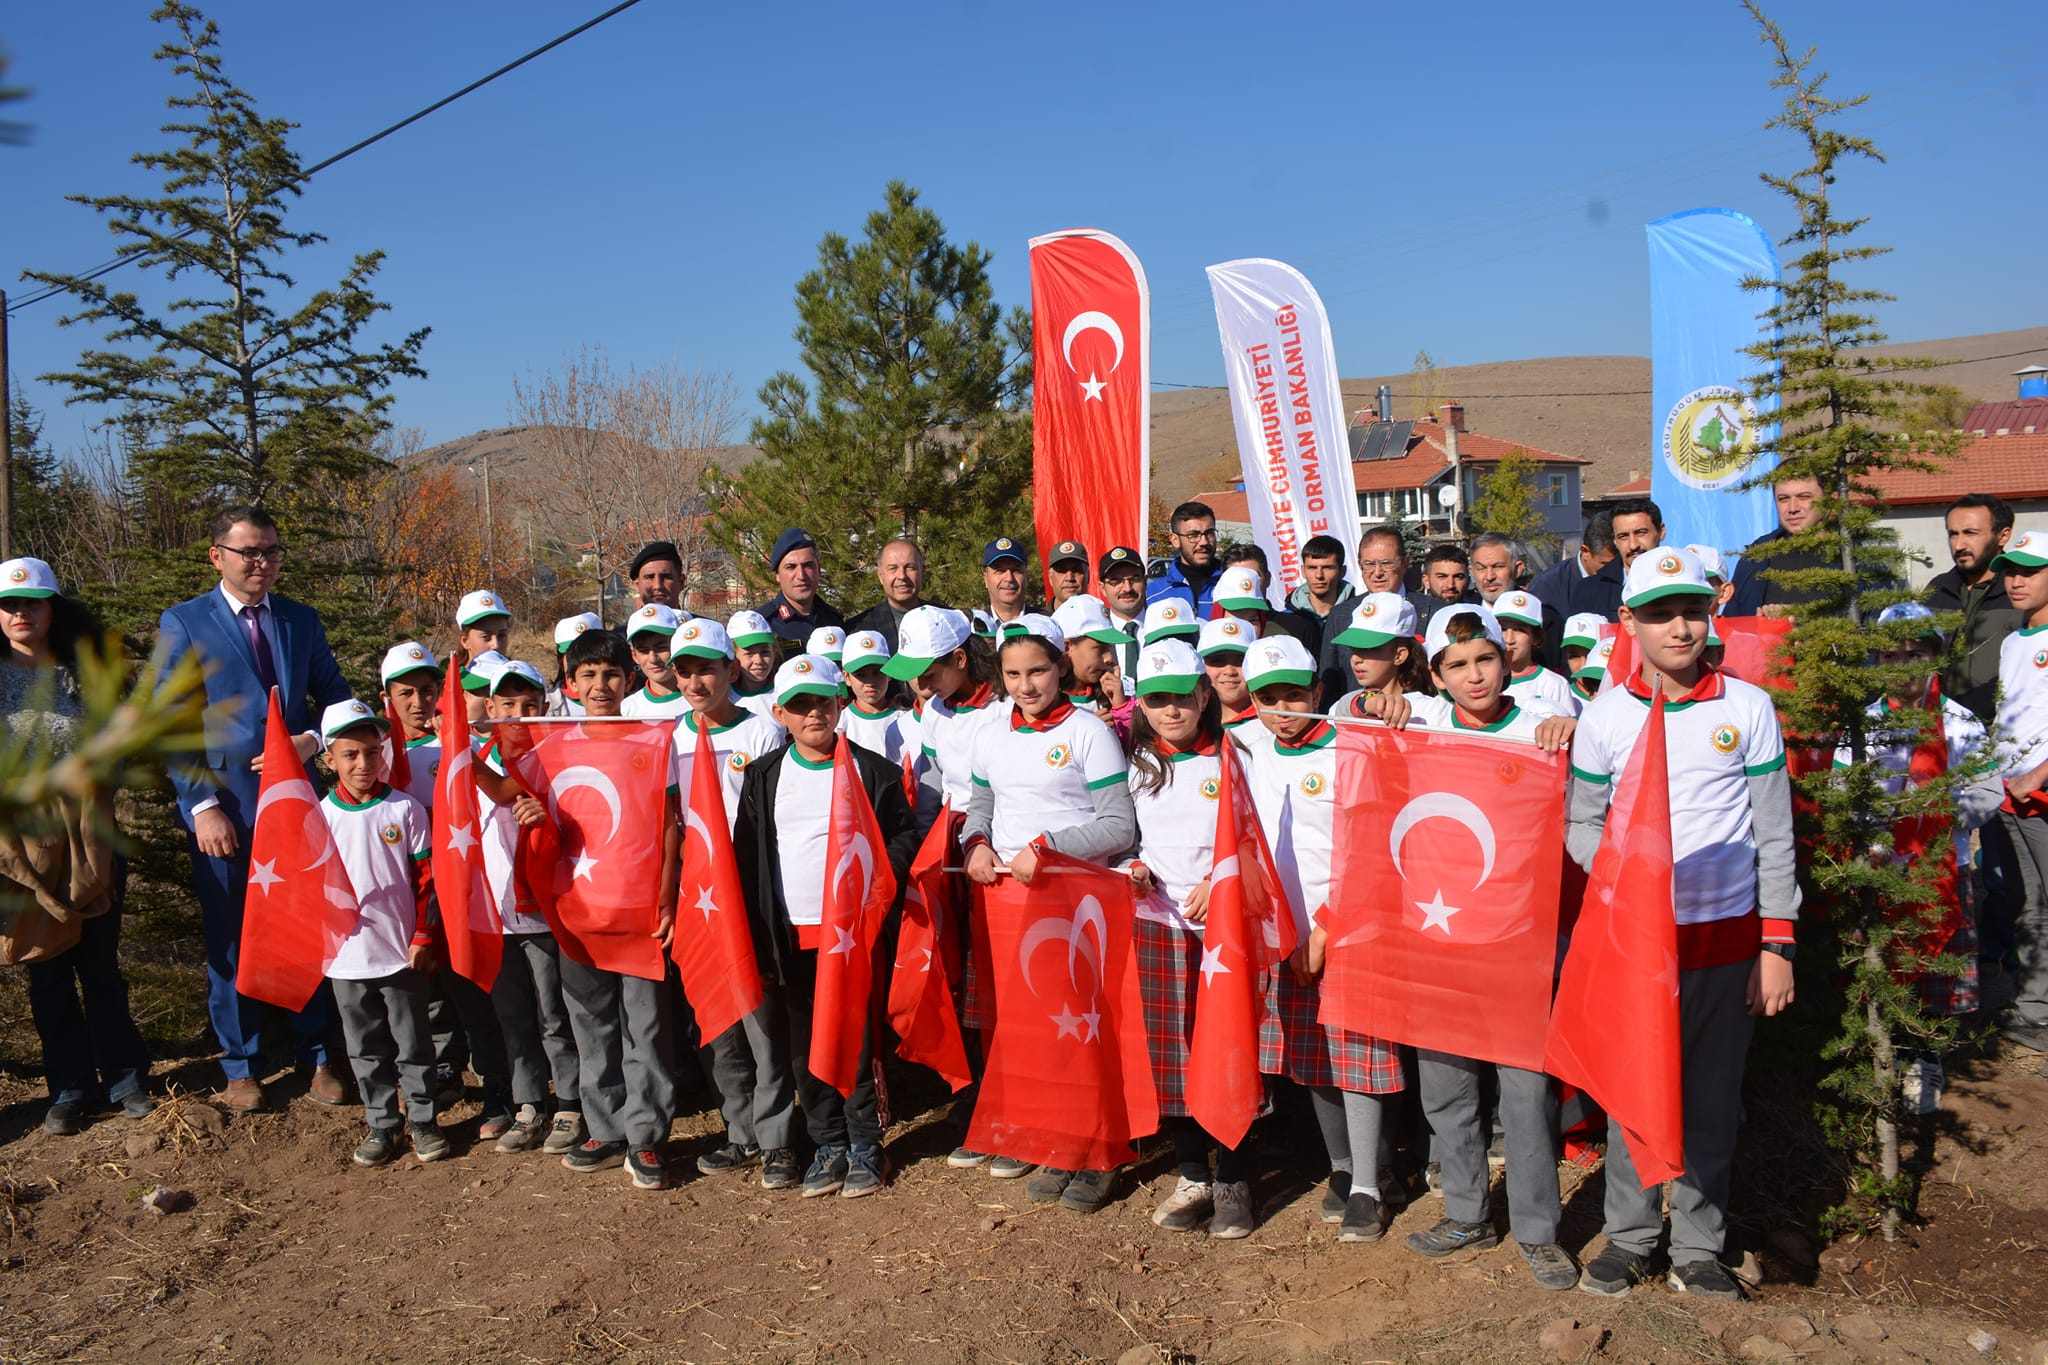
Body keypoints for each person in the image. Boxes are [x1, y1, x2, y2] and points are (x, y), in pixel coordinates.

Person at [1567, 545, 1799, 1299]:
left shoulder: (1748, 708)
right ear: (1627, 621)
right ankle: (1630, 1237)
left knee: (1710, 1100)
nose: (1679, 627)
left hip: (1725, 943)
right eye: (1660, 613)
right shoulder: (1605, 716)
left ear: (1712, 612)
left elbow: (1775, 834)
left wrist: (1776, 944)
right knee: (1633, 1094)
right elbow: (1582, 826)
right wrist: (1627, 879)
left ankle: (1699, 1245)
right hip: (1637, 949)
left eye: (1692, 611)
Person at [1350, 605, 1578, 1291]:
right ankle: (1468, 1213)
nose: (1474, 675)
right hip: (1438, 941)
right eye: (1457, 665)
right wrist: (1374, 704)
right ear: (1437, 674)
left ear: (1505, 661)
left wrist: (1575, 732)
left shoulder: (1543, 725)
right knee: (1446, 1090)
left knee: (1526, 1095)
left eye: (1485, 659)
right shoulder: (1421, 720)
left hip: (1516, 942)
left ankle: (1538, 1231)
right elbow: (1345, 720)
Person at [152, 505, 352, 1112]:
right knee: (231, 936)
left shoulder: (299, 620)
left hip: (295, 807)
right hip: (228, 811)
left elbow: (336, 697)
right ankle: (241, 1065)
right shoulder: (186, 623)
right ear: (218, 556)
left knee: (305, 925)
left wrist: (312, 741)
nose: (262, 562)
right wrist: (201, 806)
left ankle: (318, 1056)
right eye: (249, 552)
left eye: (271, 551)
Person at [962, 623, 1137, 1212]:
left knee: (1082, 1028)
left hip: (1073, 901)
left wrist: (1049, 847)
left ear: (1061, 666)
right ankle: (1052, 1136)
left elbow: (1118, 826)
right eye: (1013, 674)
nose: (1026, 685)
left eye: (1037, 671)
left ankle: (1098, 1150)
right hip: (1008, 900)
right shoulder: (991, 732)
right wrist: (976, 842)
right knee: (1031, 1027)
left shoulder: (1089, 731)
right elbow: (981, 804)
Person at [1241, 634, 1408, 1244]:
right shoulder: (1248, 749)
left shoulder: (1351, 746)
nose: (1283, 710)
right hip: (1283, 931)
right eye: (1269, 698)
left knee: (1357, 1056)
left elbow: (1372, 848)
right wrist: (1285, 932)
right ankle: (1342, 1167)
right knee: (1312, 1055)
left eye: (1294, 694)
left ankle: (1369, 1184)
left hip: (1348, 927)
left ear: (1317, 690)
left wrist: (1325, 929)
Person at [732, 654, 919, 1198]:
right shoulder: (763, 775)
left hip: (852, 936)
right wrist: (756, 936)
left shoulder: (872, 771)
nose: (813, 713)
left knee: (855, 1039)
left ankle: (866, 1142)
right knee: (803, 1045)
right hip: (791, 935)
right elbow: (748, 856)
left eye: (822, 701)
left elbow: (903, 836)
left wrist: (876, 877)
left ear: (840, 704)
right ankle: (828, 1141)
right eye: (799, 705)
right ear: (780, 713)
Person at [0, 557, 153, 1134]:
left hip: (92, 840)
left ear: (53, 609)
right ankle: (68, 1089)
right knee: (47, 970)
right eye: (9, 605)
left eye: (32, 603)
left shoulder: (86, 674)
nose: (21, 613)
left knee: (101, 965)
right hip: (21, 850)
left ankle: (126, 1079)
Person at [534, 629, 682, 1190]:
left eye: (611, 675)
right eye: (588, 676)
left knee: (645, 1028)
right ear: (570, 684)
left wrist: (666, 897)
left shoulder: (653, 739)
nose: (600, 686)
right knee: (591, 1024)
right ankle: (605, 1126)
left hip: (639, 911)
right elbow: (519, 802)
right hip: (579, 911)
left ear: (630, 680)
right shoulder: (551, 745)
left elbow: (669, 826)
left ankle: (645, 1136)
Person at [1121, 640, 1256, 1239]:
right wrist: (1133, 868)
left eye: (1180, 696)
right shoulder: (1137, 764)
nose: (1170, 710)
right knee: (1171, 1051)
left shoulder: (1236, 755)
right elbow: (1127, 839)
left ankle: (1235, 1176)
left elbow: (1256, 838)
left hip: (1224, 930)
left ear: (1204, 695)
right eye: (1156, 700)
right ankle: (1193, 1172)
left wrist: (1217, 881)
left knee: (1226, 1047)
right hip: (1159, 925)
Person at [663, 616, 794, 1183]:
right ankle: (739, 1132)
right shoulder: (668, 737)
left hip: (749, 893)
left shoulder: (760, 731)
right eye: (685, 672)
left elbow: (771, 818)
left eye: (707, 670)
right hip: (697, 897)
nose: (696, 683)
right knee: (716, 1017)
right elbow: (668, 823)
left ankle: (778, 1139)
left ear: (731, 670)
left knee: (762, 1020)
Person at [1834, 603, 2003, 1022]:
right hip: (1879, 867)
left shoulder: (1961, 722)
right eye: (1890, 655)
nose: (1902, 666)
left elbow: (1988, 792)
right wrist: (1872, 832)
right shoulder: (1863, 724)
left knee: (1937, 977)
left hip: (1943, 866)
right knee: (1880, 973)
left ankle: (1932, 1050)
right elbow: (1840, 790)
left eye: (1915, 655)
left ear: (1936, 657)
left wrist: (1936, 813)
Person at [311, 699, 447, 1167]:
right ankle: (382, 1123)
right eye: (350, 754)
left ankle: (424, 1120)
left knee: (413, 1042)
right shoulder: (318, 816)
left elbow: (427, 881)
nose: (363, 764)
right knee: (365, 1046)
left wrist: (422, 936)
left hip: (399, 953)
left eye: (372, 752)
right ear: (329, 759)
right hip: (345, 957)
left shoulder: (404, 809)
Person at [474, 659, 586, 1155]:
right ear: (490, 707)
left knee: (553, 1014)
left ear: (545, 707)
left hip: (540, 912)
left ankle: (569, 1104)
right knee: (513, 1016)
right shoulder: (476, 756)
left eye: (530, 704)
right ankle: (528, 1104)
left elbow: (508, 794)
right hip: (493, 915)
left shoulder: (553, 758)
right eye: (508, 704)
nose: (518, 714)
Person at [1990, 530, 2048, 1053]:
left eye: (2030, 571)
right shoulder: (2012, 641)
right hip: (2009, 797)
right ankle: (2034, 1010)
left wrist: (2039, 774)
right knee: (2026, 904)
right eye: (2011, 570)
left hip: (2040, 795)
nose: (2016, 580)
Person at [1926, 494, 2023, 724]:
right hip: (1942, 729)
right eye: (1953, 534)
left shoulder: (2021, 593)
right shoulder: (1937, 591)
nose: (1959, 545)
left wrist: (1973, 712)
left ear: (2003, 536)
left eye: (1971, 533)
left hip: (2005, 730)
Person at [1728, 476, 1828, 618]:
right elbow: (1733, 623)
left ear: (1828, 499)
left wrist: (1802, 621)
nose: (1793, 508)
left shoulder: (1853, 556)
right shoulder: (1756, 558)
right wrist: (1756, 625)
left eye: (1804, 497)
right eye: (1783, 499)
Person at [1326, 594, 1425, 719]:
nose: (1356, 659)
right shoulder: (1337, 709)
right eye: (1353, 649)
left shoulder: (1426, 711)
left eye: (1368, 649)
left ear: (1399, 655)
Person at [1571, 499, 1665, 622]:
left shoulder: (1683, 581)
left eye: (1641, 533)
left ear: (1661, 532)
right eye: (1623, 536)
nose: (1633, 545)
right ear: (1615, 540)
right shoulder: (1589, 591)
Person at [379, 643, 445, 809]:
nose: (418, 702)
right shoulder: (379, 753)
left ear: (440, 690)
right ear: (386, 698)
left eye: (426, 690)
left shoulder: (460, 742)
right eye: (406, 693)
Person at [1494, 591, 1580, 717]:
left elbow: (1568, 725)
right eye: (1503, 629)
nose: (1509, 639)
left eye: (1519, 630)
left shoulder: (1555, 684)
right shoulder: (1486, 680)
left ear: (1536, 637)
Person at [844, 537, 937, 651]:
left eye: (910, 567)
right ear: (880, 575)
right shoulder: (857, 629)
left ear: (922, 572)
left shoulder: (947, 620)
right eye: (893, 568)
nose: (902, 576)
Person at [758, 528, 844, 648]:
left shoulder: (833, 620)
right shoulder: (763, 624)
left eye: (808, 566)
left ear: (819, 570)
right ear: (777, 575)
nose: (801, 575)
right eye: (791, 567)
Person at [1528, 511, 1615, 617]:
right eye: (1605, 564)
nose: (1613, 569)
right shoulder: (1547, 586)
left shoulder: (1626, 579)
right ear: (1585, 552)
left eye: (1618, 563)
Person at [1147, 502, 1224, 620]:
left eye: (1209, 533)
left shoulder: (1231, 585)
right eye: (1193, 535)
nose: (1204, 542)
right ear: (1175, 540)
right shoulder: (1153, 594)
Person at [1197, 615, 1264, 743]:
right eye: (1217, 661)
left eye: (1241, 661)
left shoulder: (1272, 723)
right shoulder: (1187, 724)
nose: (1229, 671)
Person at [621, 604, 688, 719]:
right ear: (634, 655)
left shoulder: (702, 702)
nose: (653, 659)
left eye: (661, 648)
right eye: (644, 651)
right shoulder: (627, 709)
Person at [1286, 535, 1356, 644]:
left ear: (1342, 571)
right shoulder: (1286, 619)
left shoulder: (1358, 616)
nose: (1319, 575)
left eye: (1327, 568)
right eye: (1312, 568)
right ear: (1303, 571)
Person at [1099, 546, 1148, 680]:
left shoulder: (1161, 626)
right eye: (1116, 581)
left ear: (1145, 581)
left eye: (1134, 579)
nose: (1127, 588)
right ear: (1102, 588)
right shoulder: (1096, 633)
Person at [973, 537, 1035, 635]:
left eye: (1016, 570)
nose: (1009, 578)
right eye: (1000, 571)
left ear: (1026, 576)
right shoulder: (972, 630)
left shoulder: (1047, 624)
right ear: (986, 579)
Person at [726, 609, 780, 719]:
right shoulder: (723, 696)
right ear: (733, 654)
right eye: (749, 653)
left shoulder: (784, 691)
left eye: (765, 652)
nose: (758, 660)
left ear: (774, 652)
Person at [548, 613, 601, 717]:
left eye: (589, 651)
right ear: (560, 660)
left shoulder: (627, 704)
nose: (582, 659)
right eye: (572, 653)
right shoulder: (544, 706)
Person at [455, 590, 513, 661]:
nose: (496, 645)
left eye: (502, 635)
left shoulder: (519, 668)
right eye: (486, 637)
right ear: (465, 641)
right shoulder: (451, 668)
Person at [629, 541, 685, 610]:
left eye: (666, 577)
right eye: (649, 577)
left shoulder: (694, 618)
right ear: (637, 585)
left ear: (681, 582)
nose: (658, 586)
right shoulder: (631, 619)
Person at [1044, 540, 1090, 607]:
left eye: (1077, 570)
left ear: (1088, 576)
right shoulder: (1037, 614)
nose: (1069, 578)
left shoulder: (1100, 613)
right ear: (1050, 578)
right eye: (1061, 570)